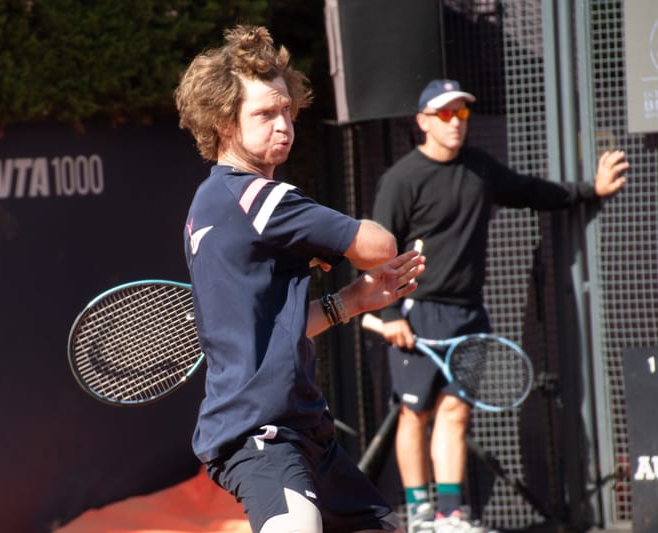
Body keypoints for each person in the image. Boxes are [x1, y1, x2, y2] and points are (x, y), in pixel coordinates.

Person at [174, 25, 426, 533]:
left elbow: (269, 329)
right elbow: (379, 245)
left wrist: (350, 301)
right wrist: (338, 244)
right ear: (225, 123)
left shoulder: (206, 205)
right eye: (265, 114)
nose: (283, 124)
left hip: (307, 432)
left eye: (287, 109)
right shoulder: (261, 199)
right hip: (260, 431)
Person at [370, 79, 628, 533]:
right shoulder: (400, 180)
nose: (456, 123)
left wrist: (591, 190)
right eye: (446, 114)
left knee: (455, 412)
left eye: (463, 114)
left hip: (469, 313)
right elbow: (377, 251)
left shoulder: (480, 169)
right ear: (423, 121)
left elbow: (530, 191)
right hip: (417, 312)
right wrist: (391, 314)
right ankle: (420, 515)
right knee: (415, 414)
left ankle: (449, 516)